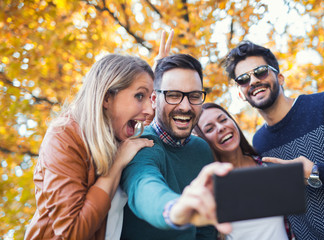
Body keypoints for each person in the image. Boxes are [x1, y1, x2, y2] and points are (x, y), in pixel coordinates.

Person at [225, 40, 324, 239]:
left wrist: (319, 172)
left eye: (260, 71)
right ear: (240, 93)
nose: (252, 81)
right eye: (243, 79)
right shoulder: (260, 143)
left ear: (280, 78)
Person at [24, 54, 155, 240]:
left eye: (151, 98)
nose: (149, 109)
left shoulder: (120, 135)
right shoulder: (64, 138)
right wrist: (115, 166)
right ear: (107, 98)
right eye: (140, 96)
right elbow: (72, 233)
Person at [120, 53, 229, 239]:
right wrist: (174, 209)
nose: (185, 106)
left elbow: (204, 229)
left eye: (194, 96)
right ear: (154, 99)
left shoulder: (201, 149)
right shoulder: (141, 143)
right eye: (173, 95)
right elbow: (142, 184)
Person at [193, 102, 293, 240]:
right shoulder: (210, 186)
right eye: (210, 129)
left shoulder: (267, 166)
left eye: (223, 120)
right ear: (203, 140)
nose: (221, 128)